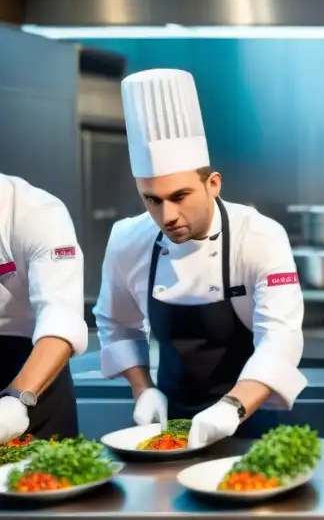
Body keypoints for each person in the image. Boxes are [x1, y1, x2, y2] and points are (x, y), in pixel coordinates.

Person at [93, 69, 306, 447]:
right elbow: (118, 324)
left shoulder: (259, 236)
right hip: (171, 418)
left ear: (213, 184)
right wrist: (142, 389)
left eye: (179, 196)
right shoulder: (127, 239)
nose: (167, 215)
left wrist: (231, 408)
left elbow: (280, 337)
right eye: (152, 200)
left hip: (255, 413)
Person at [0, 174, 88, 442]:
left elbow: (60, 314)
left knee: (43, 478)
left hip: (34, 371)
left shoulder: (35, 212)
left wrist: (16, 398)